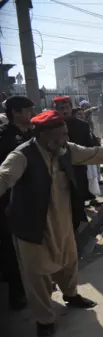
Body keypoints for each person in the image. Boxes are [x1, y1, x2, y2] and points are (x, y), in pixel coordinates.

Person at [0, 110, 103, 337]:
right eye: (60, 135)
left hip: (62, 220)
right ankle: (44, 319)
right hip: (32, 225)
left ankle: (71, 295)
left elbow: (97, 153)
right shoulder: (22, 155)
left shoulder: (66, 150)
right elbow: (4, 177)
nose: (65, 139)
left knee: (69, 261)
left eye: (65, 134)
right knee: (37, 276)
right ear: (43, 134)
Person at [0, 96, 34, 311]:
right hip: (10, 201)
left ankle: (33, 286)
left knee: (30, 245)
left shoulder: (29, 134)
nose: (31, 114)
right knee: (11, 250)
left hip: (29, 198)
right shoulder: (5, 138)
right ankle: (17, 293)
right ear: (16, 113)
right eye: (27, 111)